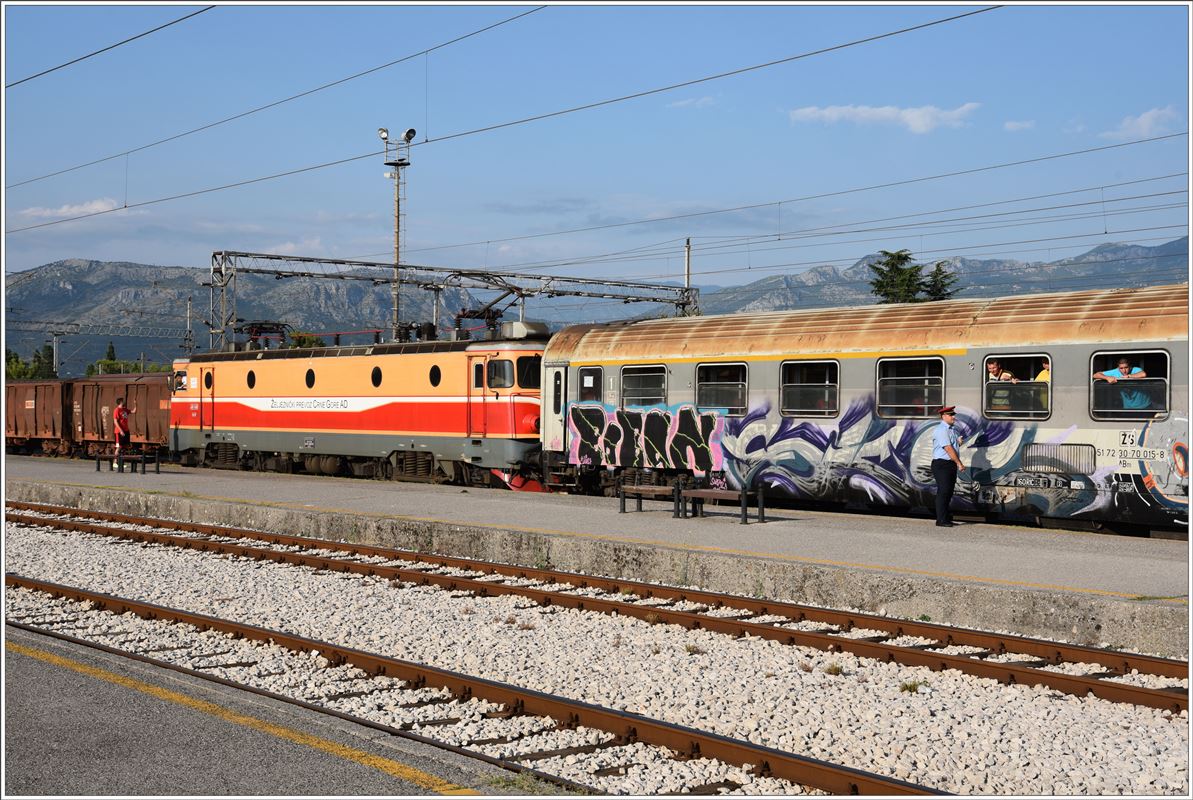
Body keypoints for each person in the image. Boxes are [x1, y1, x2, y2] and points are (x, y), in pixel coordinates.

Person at [931, 405, 965, 527]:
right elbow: (948, 448)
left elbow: (953, 446)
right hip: (941, 464)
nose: (953, 417)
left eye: (953, 414)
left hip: (949, 464)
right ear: (943, 416)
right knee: (943, 491)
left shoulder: (953, 430)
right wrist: (959, 463)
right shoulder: (941, 430)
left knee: (949, 492)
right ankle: (940, 520)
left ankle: (946, 518)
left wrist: (958, 443)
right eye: (951, 415)